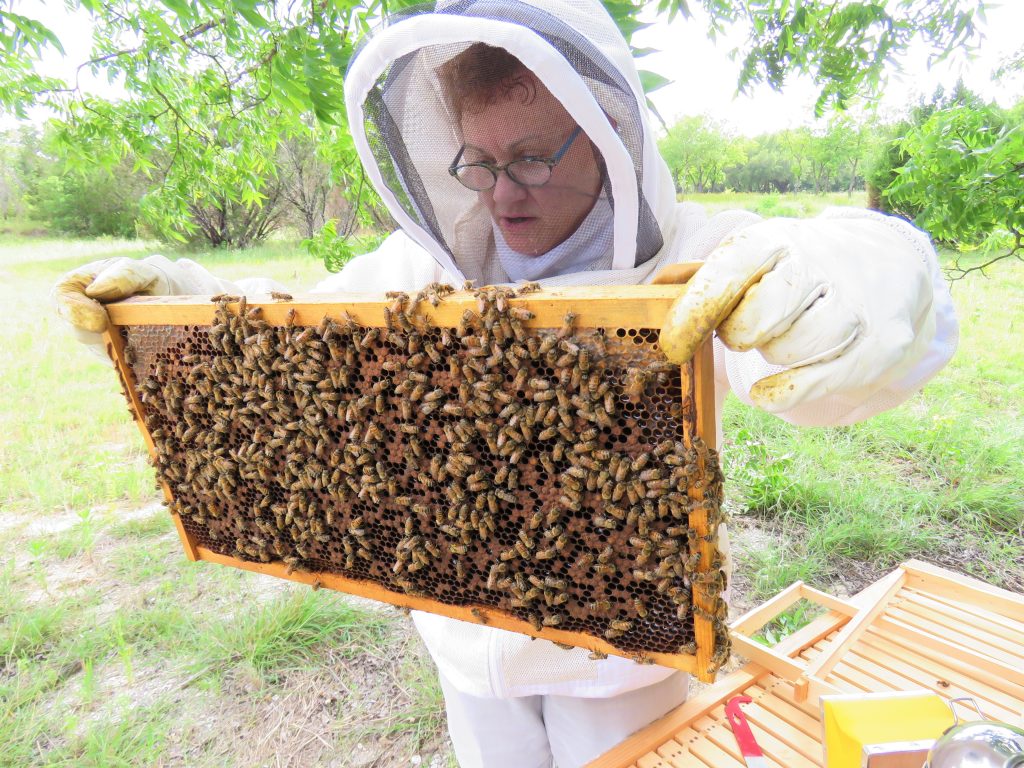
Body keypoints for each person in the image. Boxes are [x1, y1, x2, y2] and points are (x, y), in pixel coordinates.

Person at [53, 0, 958, 765]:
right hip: (462, 649)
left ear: (607, 138)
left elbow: (883, 283)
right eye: (478, 163)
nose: (500, 193)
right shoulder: (416, 265)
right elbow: (300, 332)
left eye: (530, 157)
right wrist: (189, 310)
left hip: (618, 663)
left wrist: (856, 275)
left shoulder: (694, 252)